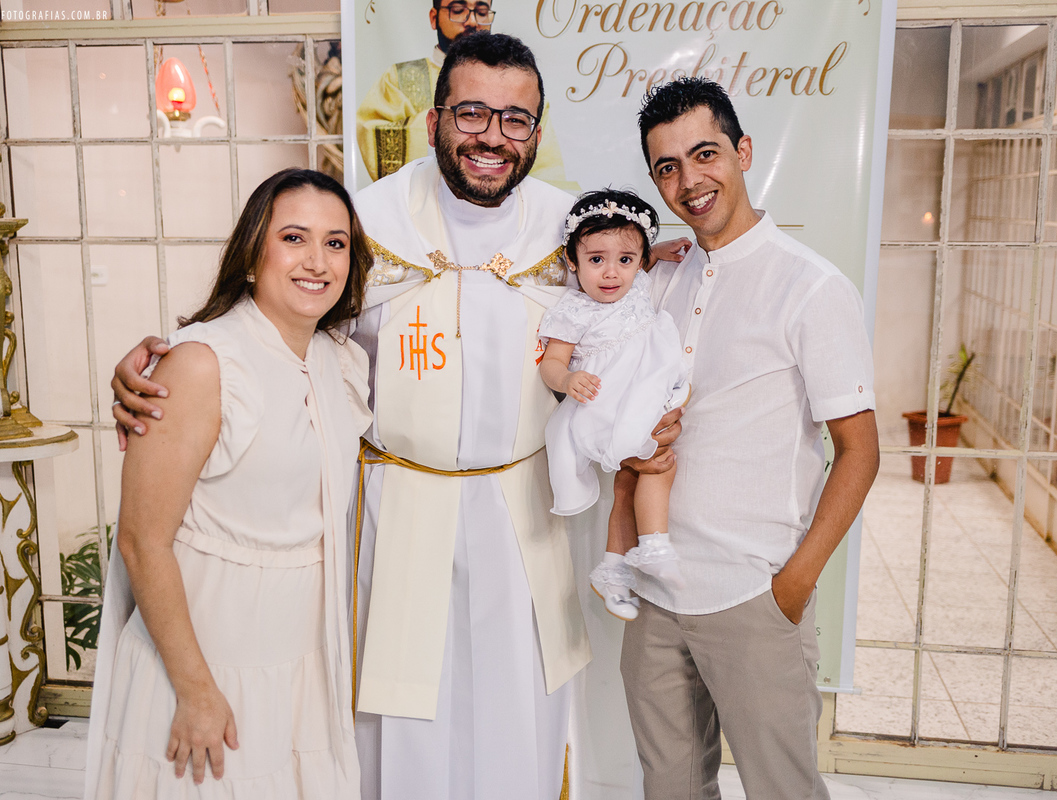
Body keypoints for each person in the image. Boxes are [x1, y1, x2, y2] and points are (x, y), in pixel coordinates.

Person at [113, 34, 686, 800]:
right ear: (433, 121)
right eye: (473, 112)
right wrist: (168, 356)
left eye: (516, 120)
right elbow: (277, 325)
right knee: (403, 727)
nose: (492, 136)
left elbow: (632, 321)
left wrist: (655, 407)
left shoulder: (572, 230)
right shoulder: (370, 223)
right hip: (397, 512)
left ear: (537, 135)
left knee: (524, 720)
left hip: (525, 515)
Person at [617, 77, 880, 799]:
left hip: (752, 593)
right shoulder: (658, 279)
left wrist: (791, 587)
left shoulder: (812, 288)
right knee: (669, 788)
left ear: (744, 151)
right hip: (656, 591)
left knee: (783, 790)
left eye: (705, 154)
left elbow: (861, 452)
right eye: (667, 167)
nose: (689, 180)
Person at [85, 169, 373, 799]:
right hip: (206, 660)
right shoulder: (201, 363)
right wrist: (195, 690)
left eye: (336, 243)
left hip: (299, 662)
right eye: (294, 237)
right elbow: (140, 540)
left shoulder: (339, 360)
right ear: (252, 252)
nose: (317, 261)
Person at [538, 189, 688, 621]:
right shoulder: (574, 309)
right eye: (595, 259)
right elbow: (551, 364)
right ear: (572, 261)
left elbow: (645, 259)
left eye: (625, 260)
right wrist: (566, 379)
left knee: (628, 482)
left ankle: (613, 569)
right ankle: (654, 544)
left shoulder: (637, 279)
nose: (610, 273)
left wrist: (654, 251)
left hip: (645, 390)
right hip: (607, 405)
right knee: (656, 461)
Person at [355, 0, 576, 190]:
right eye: (458, 9)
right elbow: (373, 133)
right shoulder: (399, 77)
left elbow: (548, 172)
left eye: (481, 12)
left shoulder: (525, 89)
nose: (471, 21)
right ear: (434, 18)